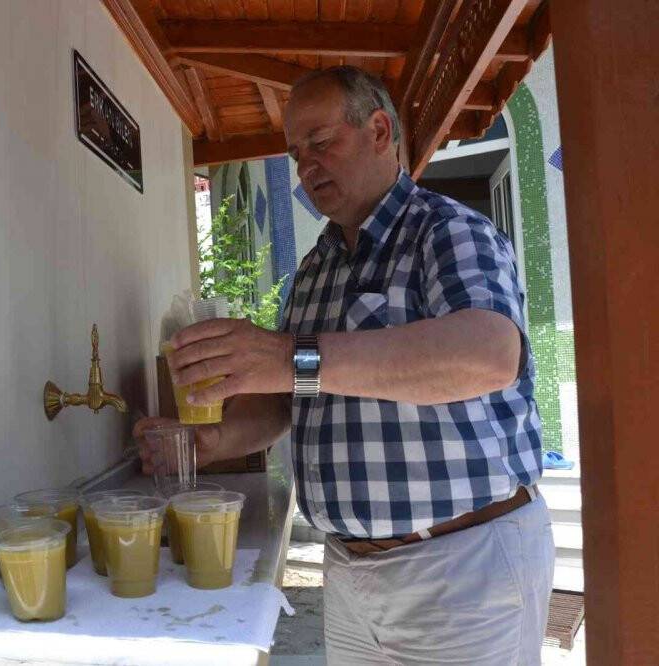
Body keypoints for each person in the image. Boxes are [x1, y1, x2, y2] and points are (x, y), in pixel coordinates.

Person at [135, 66, 553, 665]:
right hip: (351, 568)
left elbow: (488, 355)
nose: (305, 166)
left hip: (462, 565)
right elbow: (288, 397)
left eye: (320, 141)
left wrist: (287, 355)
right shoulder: (317, 267)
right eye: (295, 151)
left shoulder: (448, 231)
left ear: (379, 131)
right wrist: (213, 442)